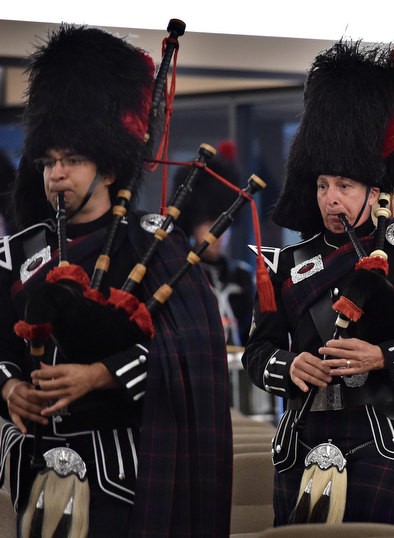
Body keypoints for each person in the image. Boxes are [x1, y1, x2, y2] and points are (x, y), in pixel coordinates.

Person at [0, 25, 231, 536]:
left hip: (123, 478)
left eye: (73, 161)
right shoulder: (19, 252)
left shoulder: (154, 246)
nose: (57, 174)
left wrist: (101, 374)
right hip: (33, 473)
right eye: (49, 162)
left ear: (107, 169)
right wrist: (9, 386)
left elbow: (191, 352)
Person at [242, 39, 394, 526]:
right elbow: (257, 352)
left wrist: (383, 357)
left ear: (375, 190)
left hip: (380, 438)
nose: (332, 199)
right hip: (300, 438)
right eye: (324, 185)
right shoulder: (288, 261)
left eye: (345, 186)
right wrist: (289, 366)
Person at [173, 151, 254, 346]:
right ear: (192, 224)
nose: (219, 235)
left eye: (223, 225)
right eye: (209, 223)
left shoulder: (242, 276)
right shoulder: (181, 276)